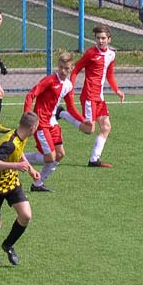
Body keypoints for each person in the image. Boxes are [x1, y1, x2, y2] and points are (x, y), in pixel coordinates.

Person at [22, 52, 92, 193]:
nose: (63, 71)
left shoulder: (68, 85)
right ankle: (18, 157)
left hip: (52, 123)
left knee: (60, 155)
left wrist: (83, 119)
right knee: (50, 157)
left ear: (71, 68)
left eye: (66, 68)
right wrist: (27, 114)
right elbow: (31, 95)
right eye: (60, 67)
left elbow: (71, 107)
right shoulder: (49, 80)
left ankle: (38, 184)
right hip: (41, 123)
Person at [0, 112, 40, 266]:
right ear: (32, 128)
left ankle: (8, 244)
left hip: (11, 182)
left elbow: (19, 154)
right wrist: (16, 166)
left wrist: (30, 169)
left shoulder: (22, 135)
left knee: (26, 215)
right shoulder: (9, 143)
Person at [64, 25, 125, 168]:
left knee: (106, 127)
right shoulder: (91, 53)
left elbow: (109, 74)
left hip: (100, 97)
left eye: (103, 38)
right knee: (89, 130)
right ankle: (63, 114)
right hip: (89, 96)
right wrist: (71, 88)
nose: (100, 41)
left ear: (109, 39)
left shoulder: (111, 54)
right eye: (98, 38)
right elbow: (76, 70)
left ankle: (94, 160)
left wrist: (117, 90)